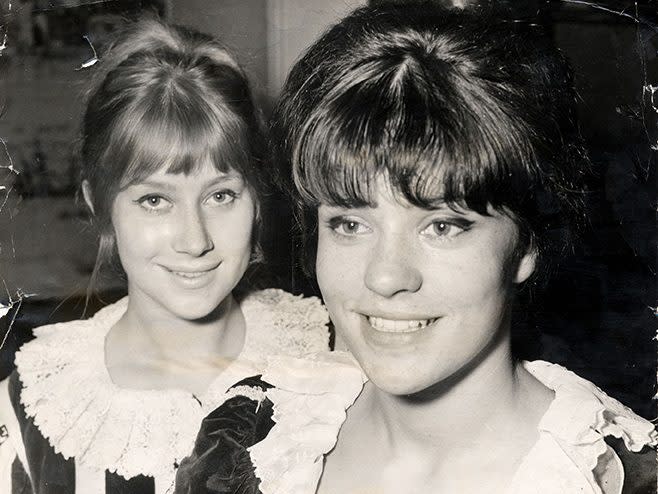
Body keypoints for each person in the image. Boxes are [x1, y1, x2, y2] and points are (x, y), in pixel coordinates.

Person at [175, 4, 657, 494]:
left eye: (443, 226)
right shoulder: (252, 438)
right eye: (348, 223)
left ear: (528, 244)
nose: (385, 276)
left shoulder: (612, 479)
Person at [0, 18, 330, 494]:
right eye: (155, 200)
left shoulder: (330, 360)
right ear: (99, 205)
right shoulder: (32, 413)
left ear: (256, 198)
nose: (194, 241)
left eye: (220, 196)